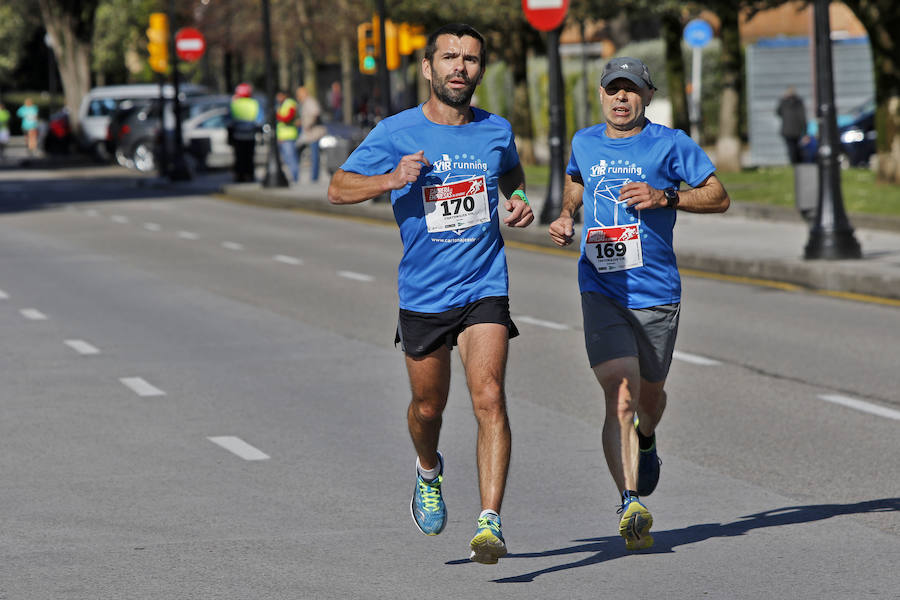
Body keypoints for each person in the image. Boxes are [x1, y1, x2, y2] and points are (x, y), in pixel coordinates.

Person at [327, 23, 533, 564]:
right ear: (427, 68)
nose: (459, 67)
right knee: (428, 406)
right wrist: (390, 179)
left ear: (480, 71)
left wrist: (517, 201)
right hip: (423, 292)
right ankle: (427, 470)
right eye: (449, 57)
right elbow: (337, 188)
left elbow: (511, 174)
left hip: (484, 284)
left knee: (489, 397)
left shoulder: (496, 130)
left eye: (469, 59)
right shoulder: (397, 131)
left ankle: (489, 521)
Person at [548, 57, 730, 551]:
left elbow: (718, 195)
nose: (621, 98)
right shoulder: (585, 142)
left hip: (656, 293)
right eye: (613, 90)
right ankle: (629, 501)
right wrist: (567, 215)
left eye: (631, 90)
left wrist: (666, 197)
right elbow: (576, 180)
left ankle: (647, 436)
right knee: (620, 396)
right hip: (601, 288)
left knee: (648, 401)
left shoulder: (669, 144)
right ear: (601, 96)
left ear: (646, 96)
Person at [228, 83, 262, 183]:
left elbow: (229, 121)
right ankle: (250, 175)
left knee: (239, 157)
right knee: (250, 157)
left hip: (238, 135)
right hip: (250, 135)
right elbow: (260, 120)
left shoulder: (234, 103)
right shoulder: (254, 103)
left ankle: (240, 176)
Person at [295, 85, 325, 182]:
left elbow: (315, 113)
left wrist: (308, 124)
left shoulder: (309, 101)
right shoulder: (306, 102)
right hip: (310, 133)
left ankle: (314, 177)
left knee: (315, 154)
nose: (297, 96)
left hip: (314, 132)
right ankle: (314, 176)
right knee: (313, 154)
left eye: (299, 94)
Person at [776, 87, 808, 164]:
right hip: (797, 130)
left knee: (791, 148)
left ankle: (794, 162)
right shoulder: (798, 102)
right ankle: (796, 162)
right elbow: (802, 117)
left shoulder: (784, 102)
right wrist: (805, 131)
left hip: (787, 130)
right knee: (796, 148)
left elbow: (778, 112)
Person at [275, 91, 299, 182]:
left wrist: (278, 116)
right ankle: (291, 177)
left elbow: (289, 117)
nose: (278, 98)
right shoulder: (281, 105)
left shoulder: (290, 103)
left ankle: (294, 177)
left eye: (279, 96)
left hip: (288, 136)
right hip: (282, 136)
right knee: (286, 159)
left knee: (291, 158)